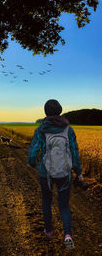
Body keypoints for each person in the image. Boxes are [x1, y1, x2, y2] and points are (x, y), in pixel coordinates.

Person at [28, 99, 83, 248]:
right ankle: (67, 235)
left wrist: (32, 162)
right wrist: (78, 172)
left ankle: (49, 231)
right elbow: (75, 152)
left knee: (46, 201)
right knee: (64, 205)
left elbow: (33, 151)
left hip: (45, 173)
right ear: (60, 110)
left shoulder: (41, 129)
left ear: (46, 112)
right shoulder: (68, 129)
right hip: (65, 173)